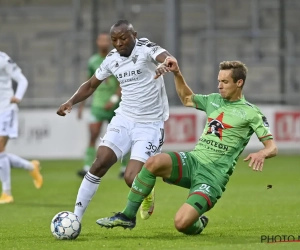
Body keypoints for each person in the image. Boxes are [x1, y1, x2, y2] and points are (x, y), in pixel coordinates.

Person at [95, 58, 278, 235]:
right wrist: (177, 73)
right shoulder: (214, 100)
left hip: (213, 177)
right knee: (153, 162)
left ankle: (199, 223)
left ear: (239, 83)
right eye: (218, 81)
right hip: (193, 161)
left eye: (225, 82)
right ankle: (127, 215)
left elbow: (272, 147)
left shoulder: (251, 113)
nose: (219, 86)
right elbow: (187, 98)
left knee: (181, 224)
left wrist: (262, 153)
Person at [56, 20, 172, 222]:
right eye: (114, 39)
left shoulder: (145, 48)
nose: (118, 43)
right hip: (124, 118)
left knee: (131, 179)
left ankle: (147, 191)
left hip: (150, 124)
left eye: (123, 38)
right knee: (100, 162)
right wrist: (71, 101)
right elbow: (91, 85)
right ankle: (75, 218)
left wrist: (165, 64)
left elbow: (167, 58)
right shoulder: (111, 59)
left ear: (134, 35)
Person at [76, 33, 130, 179]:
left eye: (107, 40)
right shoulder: (93, 61)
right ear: (97, 42)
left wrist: (113, 100)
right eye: (102, 40)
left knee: (123, 136)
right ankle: (87, 166)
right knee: (93, 134)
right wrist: (81, 106)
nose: (104, 43)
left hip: (116, 106)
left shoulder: (118, 59)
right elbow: (88, 84)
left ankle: (125, 167)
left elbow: (122, 83)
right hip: (98, 105)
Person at [0, 51, 43, 204]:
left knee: (0, 150)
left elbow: (22, 80)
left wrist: (17, 96)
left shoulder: (3, 59)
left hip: (6, 109)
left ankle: (6, 193)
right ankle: (31, 166)